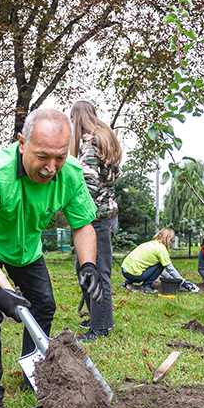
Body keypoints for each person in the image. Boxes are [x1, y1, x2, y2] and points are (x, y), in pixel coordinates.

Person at [0, 108, 102, 408]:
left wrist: (88, 266)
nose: (50, 168)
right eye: (43, 156)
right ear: (22, 143)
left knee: (44, 305)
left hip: (28, 249)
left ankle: (34, 372)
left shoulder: (70, 174)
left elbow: (83, 225)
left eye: (59, 157)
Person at [69, 101, 122, 343]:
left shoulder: (90, 143)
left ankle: (99, 328)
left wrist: (74, 208)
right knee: (85, 268)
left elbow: (88, 184)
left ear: (77, 119)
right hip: (108, 212)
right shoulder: (106, 138)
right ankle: (98, 318)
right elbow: (113, 175)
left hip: (96, 218)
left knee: (97, 272)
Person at [121, 228, 198, 293]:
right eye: (170, 240)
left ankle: (127, 283)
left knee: (150, 264)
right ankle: (146, 286)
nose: (170, 242)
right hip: (134, 275)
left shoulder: (151, 243)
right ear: (166, 239)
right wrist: (184, 283)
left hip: (125, 271)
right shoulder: (161, 249)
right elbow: (170, 269)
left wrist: (170, 278)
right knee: (161, 264)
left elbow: (154, 269)